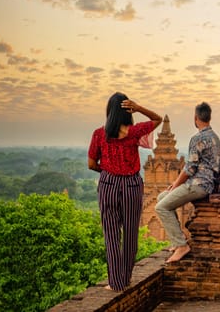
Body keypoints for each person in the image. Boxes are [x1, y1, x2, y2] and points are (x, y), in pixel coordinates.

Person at [88, 92, 162, 291]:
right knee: (130, 234)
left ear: (109, 112)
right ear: (127, 111)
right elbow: (157, 119)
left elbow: (91, 163)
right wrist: (138, 108)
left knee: (111, 235)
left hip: (108, 185)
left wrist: (108, 172)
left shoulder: (99, 134)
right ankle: (125, 278)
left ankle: (116, 283)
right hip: (131, 185)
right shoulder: (134, 132)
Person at [155, 102, 220, 263]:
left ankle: (181, 245)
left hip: (198, 185)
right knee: (161, 197)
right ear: (209, 117)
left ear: (196, 118)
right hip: (205, 183)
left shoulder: (198, 138)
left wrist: (175, 184)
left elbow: (190, 169)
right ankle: (180, 237)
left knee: (161, 207)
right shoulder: (215, 137)